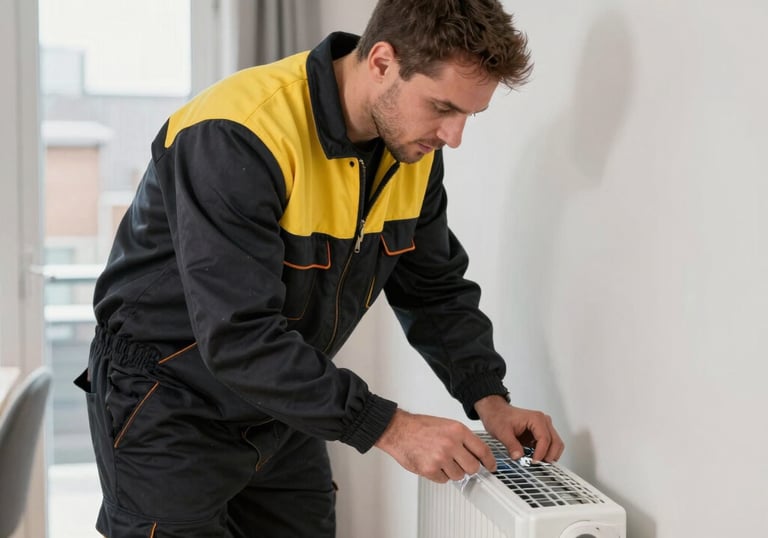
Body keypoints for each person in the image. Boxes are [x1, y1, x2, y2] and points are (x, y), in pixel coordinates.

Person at [75, 0, 565, 536]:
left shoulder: (410, 153)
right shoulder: (238, 133)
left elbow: (434, 288)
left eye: (469, 115)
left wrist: (488, 398)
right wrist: (393, 428)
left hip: (282, 402)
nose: (454, 135)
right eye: (442, 107)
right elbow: (238, 336)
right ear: (381, 61)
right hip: (169, 405)